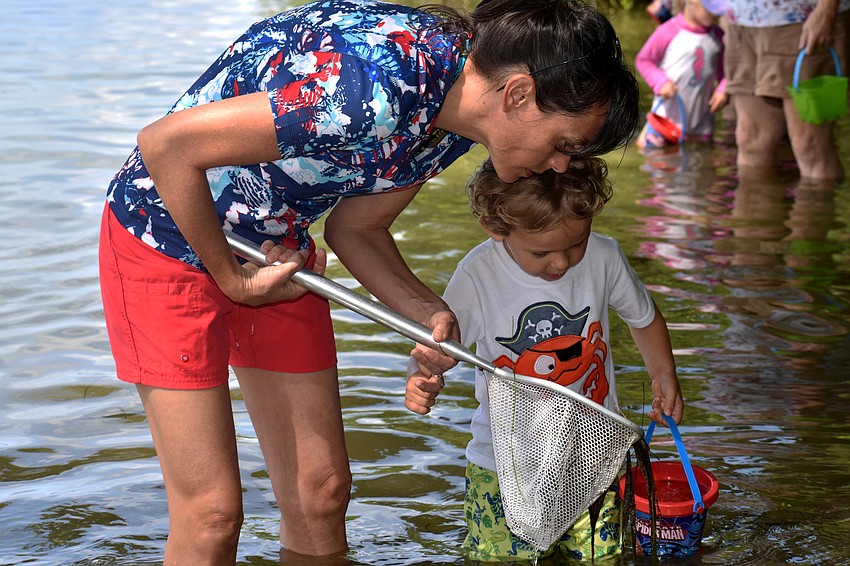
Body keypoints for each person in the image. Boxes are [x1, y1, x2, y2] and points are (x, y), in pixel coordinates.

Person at [98, 0, 640, 563]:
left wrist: (428, 312)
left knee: (322, 494)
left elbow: (356, 229)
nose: (559, 166)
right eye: (562, 144)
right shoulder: (369, 89)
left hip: (273, 250)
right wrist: (230, 279)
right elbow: (166, 145)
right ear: (518, 95)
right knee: (212, 512)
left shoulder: (458, 120)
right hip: (162, 236)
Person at [404, 158, 684, 562]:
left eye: (576, 244)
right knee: (500, 559)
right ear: (497, 229)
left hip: (593, 459)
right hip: (504, 467)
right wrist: (421, 375)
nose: (562, 263)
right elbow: (438, 346)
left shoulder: (604, 257)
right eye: (541, 252)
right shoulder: (479, 274)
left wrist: (663, 373)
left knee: (600, 558)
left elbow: (644, 317)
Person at [724, 0, 850, 180]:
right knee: (750, 140)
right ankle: (755, 207)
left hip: (803, 21)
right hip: (742, 19)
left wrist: (826, 10)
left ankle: (818, 204)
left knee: (810, 146)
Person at [635, 0, 729, 148]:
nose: (716, 13)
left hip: (701, 124)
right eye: (711, 8)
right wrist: (660, 82)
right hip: (665, 122)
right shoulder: (668, 31)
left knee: (699, 165)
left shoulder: (718, 36)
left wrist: (723, 90)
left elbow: (727, 72)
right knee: (657, 161)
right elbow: (644, 61)